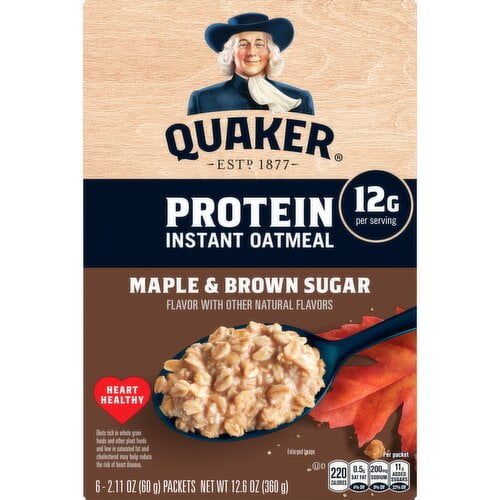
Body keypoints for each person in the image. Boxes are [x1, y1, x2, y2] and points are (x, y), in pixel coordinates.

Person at [187, 13, 314, 115]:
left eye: (259, 44)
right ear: (230, 52)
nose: (252, 52)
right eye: (243, 44)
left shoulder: (298, 99)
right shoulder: (202, 100)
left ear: (270, 51)